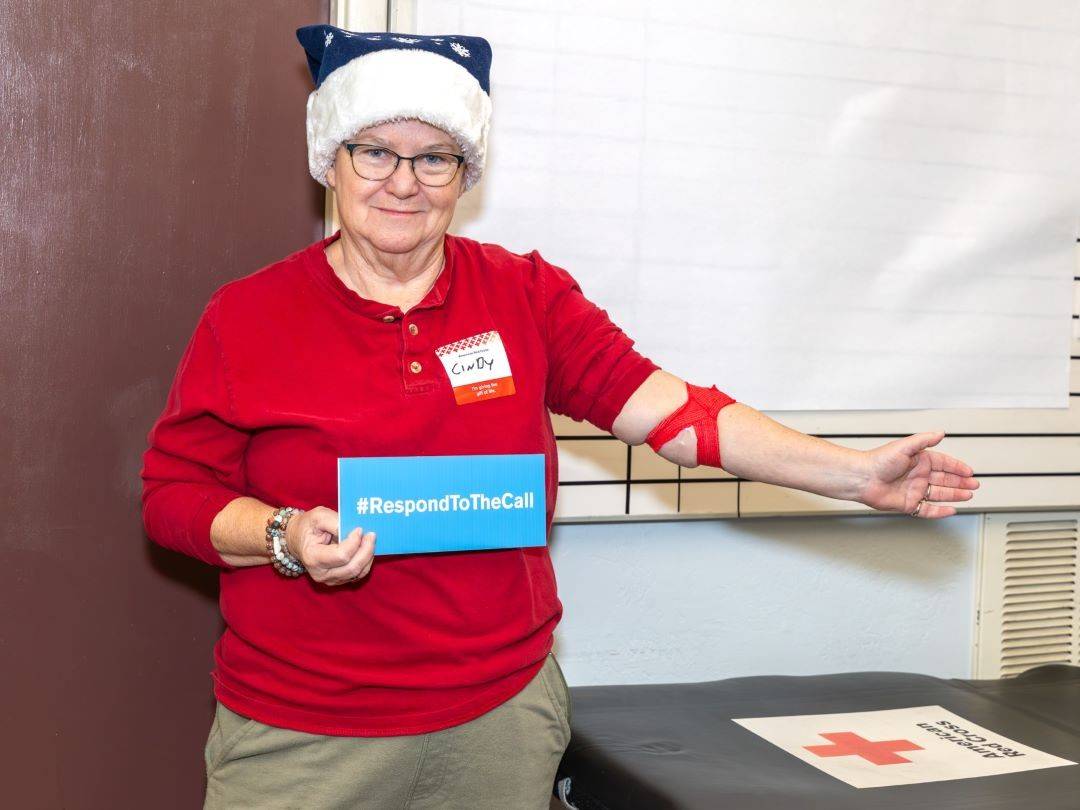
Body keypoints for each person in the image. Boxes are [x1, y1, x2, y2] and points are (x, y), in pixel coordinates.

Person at [140, 25, 980, 810]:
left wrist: (854, 473)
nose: (404, 182)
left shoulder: (525, 294)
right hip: (304, 733)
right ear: (331, 159)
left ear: (467, 176)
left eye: (436, 158)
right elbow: (172, 497)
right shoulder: (247, 316)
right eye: (375, 153)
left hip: (500, 719)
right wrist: (284, 533)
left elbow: (678, 415)